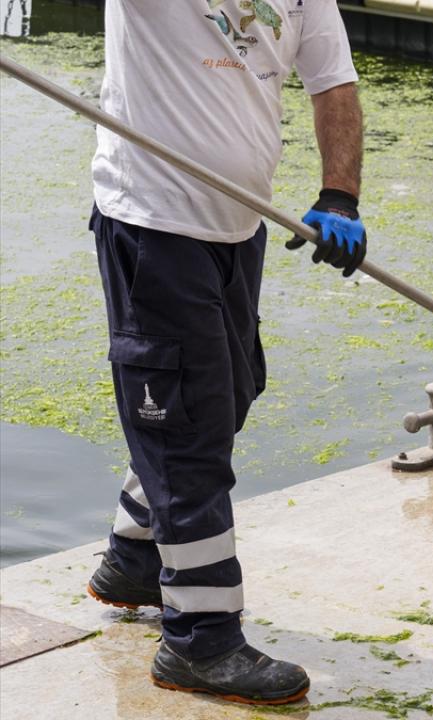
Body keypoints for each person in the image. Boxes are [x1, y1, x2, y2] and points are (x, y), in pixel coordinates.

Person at [84, 0, 367, 705]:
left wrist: (341, 194)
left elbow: (332, 80)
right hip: (153, 222)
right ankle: (200, 640)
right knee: (187, 431)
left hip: (241, 227)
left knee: (231, 393)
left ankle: (134, 557)